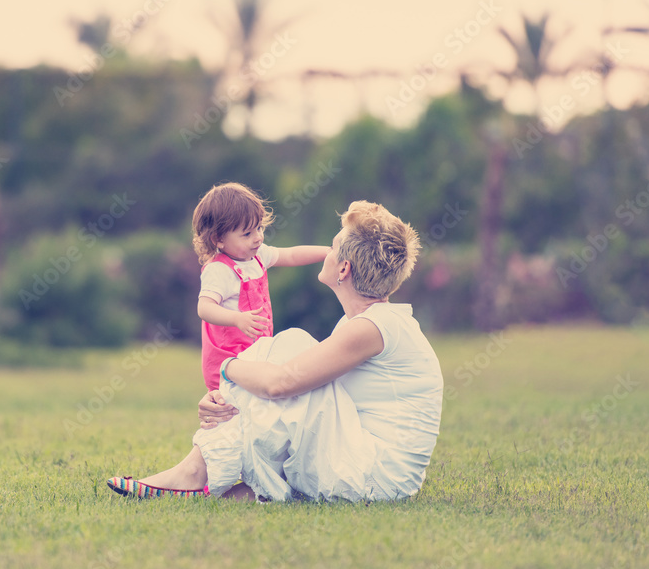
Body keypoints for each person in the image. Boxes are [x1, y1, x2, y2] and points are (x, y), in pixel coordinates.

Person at [107, 200, 443, 503]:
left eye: (334, 246)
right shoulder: (363, 324)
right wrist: (225, 397)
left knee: (290, 345)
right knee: (287, 359)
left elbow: (280, 384)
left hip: (378, 478)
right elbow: (298, 399)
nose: (328, 250)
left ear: (343, 269)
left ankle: (195, 474)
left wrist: (227, 370)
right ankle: (235, 483)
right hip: (366, 461)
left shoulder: (372, 327)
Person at [191, 182, 328, 391]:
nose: (258, 237)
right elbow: (204, 308)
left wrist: (328, 252)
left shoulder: (258, 256)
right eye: (247, 234)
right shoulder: (219, 270)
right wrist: (237, 318)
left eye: (259, 228)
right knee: (234, 408)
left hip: (255, 354)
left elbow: (291, 255)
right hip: (229, 360)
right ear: (218, 239)